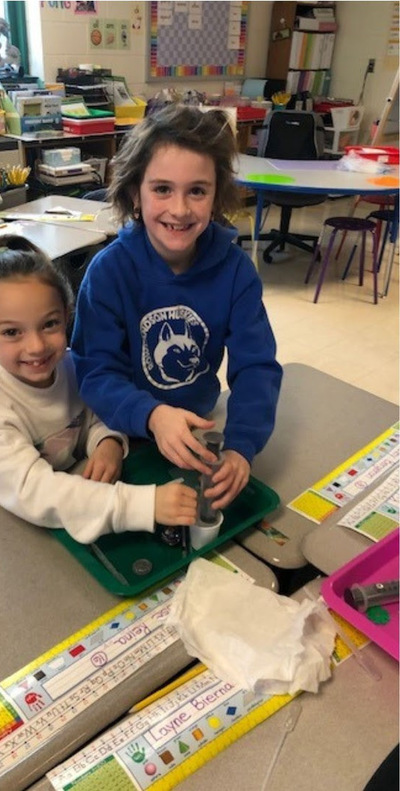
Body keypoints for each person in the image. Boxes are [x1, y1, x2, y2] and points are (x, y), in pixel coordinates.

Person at [71, 104, 282, 511]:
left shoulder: (236, 271)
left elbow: (257, 366)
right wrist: (151, 415)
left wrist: (241, 446)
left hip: (199, 426)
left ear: (216, 194)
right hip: (118, 428)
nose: (180, 209)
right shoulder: (109, 272)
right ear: (135, 192)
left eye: (197, 191)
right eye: (162, 189)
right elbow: (95, 371)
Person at [0, 234, 197, 543]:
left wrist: (107, 441)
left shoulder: (71, 365)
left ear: (67, 316)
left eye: (49, 325)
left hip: (42, 517)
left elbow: (93, 413)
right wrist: (143, 504)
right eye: (12, 332)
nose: (36, 346)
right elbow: (36, 492)